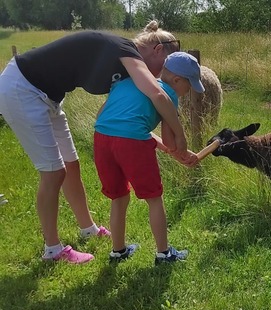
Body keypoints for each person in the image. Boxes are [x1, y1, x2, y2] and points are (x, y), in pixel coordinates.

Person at [0, 21, 199, 264]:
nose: (159, 74)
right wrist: (180, 136)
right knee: (53, 173)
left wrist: (170, 148)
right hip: (23, 88)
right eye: (162, 66)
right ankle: (52, 250)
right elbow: (158, 95)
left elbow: (123, 123)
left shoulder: (129, 75)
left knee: (71, 165)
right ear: (158, 50)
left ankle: (89, 229)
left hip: (55, 103)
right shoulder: (126, 49)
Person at [94, 51, 204, 265]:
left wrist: (175, 155)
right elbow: (170, 141)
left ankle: (118, 251)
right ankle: (164, 254)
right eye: (188, 85)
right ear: (176, 80)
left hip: (102, 139)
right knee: (154, 198)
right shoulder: (166, 94)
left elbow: (108, 118)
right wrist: (179, 149)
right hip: (132, 143)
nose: (187, 91)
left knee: (119, 196)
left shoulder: (128, 82)